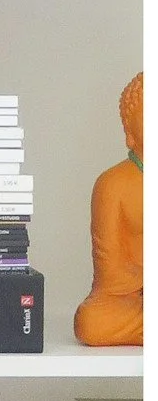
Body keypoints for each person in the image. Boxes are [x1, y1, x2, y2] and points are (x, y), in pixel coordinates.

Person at [74, 72, 143, 347]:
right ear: (130, 133)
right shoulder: (111, 185)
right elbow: (110, 274)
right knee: (90, 322)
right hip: (132, 298)